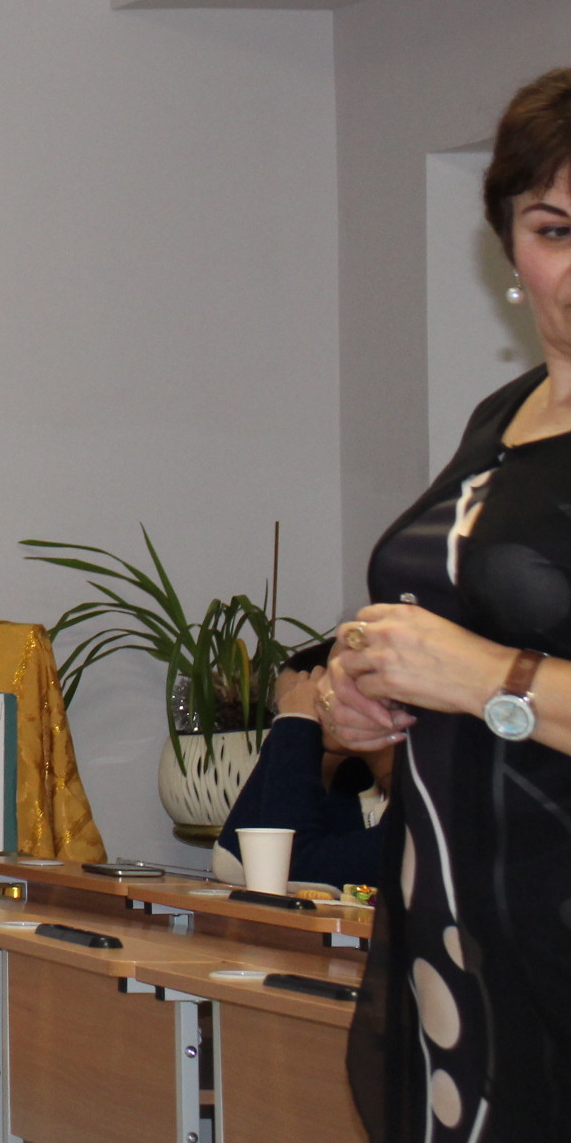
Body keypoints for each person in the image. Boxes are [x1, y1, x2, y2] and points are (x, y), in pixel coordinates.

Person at [320, 67, 571, 1143]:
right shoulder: (502, 416)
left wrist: (486, 679)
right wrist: (359, 698)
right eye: (554, 230)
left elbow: (487, 670)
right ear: (509, 248)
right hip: (462, 931)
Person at [211, 637, 388, 889]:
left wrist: (297, 725)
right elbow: (232, 859)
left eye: (333, 680)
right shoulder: (350, 783)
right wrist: (291, 725)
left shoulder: (428, 812)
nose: (317, 697)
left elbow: (283, 864)